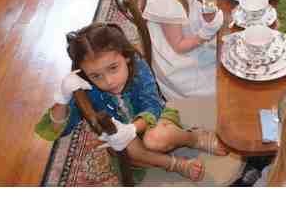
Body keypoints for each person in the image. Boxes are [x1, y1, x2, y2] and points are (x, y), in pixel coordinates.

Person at [34, 22, 227, 182]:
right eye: (96, 75)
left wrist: (133, 128)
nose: (108, 81)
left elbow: (153, 105)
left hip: (156, 121)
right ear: (85, 73)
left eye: (113, 68)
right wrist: (63, 97)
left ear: (126, 57)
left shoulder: (137, 65)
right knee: (128, 149)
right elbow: (59, 130)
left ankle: (194, 138)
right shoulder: (84, 86)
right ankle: (175, 164)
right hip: (125, 145)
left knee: (155, 139)